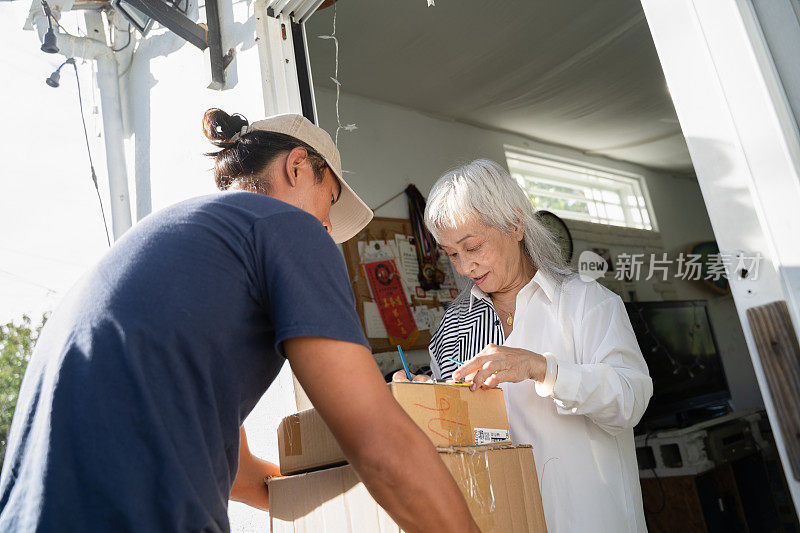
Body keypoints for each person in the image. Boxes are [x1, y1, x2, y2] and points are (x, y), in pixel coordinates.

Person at [0, 110, 480, 533]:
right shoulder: (285, 228)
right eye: (329, 200)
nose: (328, 227)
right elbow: (381, 446)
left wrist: (351, 485)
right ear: (297, 166)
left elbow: (246, 478)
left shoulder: (176, 238)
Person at [395, 159, 653, 532]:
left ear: (515, 225)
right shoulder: (453, 327)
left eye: (473, 246)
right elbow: (454, 439)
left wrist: (545, 369)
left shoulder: (585, 303)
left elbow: (630, 400)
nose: (465, 267)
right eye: (452, 254)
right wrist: (422, 405)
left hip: (592, 519)